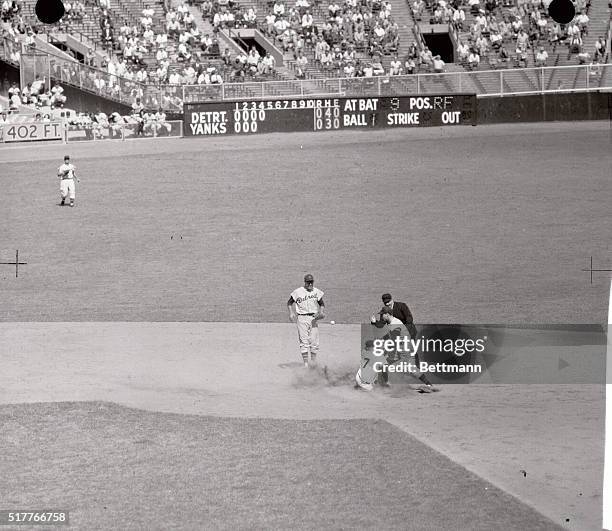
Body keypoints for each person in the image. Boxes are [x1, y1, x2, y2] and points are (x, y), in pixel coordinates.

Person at [287, 274, 326, 367]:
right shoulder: (298, 292)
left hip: (313, 318)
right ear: (305, 282)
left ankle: (313, 363)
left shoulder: (316, 291)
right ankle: (306, 365)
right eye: (308, 282)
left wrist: (321, 312)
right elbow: (289, 303)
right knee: (304, 342)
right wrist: (291, 313)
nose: (310, 284)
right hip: (302, 319)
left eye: (311, 282)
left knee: (314, 342)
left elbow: (322, 304)